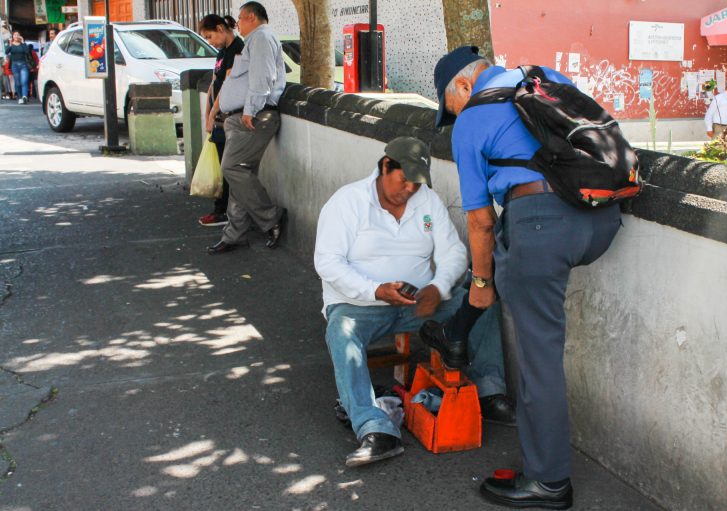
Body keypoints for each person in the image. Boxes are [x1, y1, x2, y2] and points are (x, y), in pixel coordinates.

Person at [431, 46, 622, 509]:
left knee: (540, 365)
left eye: (450, 108)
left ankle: (549, 483)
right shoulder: (544, 76)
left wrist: (482, 285)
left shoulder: (472, 121)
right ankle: (460, 326)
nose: (454, 118)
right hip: (602, 216)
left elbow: (479, 221)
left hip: (542, 229)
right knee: (509, 244)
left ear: (464, 85)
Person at [314, 136, 514, 468]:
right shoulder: (347, 202)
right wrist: (376, 290)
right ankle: (375, 428)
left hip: (418, 302)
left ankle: (489, 392)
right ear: (384, 166)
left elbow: (453, 251)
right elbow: (327, 263)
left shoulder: (427, 201)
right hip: (359, 306)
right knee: (341, 333)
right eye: (403, 179)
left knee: (480, 300)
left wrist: (438, 287)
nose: (409, 189)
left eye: (416, 183)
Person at [206, 1, 286, 254]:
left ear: (251, 16)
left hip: (253, 116)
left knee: (232, 168)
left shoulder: (261, 37)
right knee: (239, 173)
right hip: (241, 116)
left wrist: (250, 110)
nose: (237, 23)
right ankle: (235, 233)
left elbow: (263, 77)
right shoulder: (254, 40)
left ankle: (270, 216)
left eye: (240, 18)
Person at [197, 14, 244, 227]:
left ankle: (224, 211)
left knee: (228, 166)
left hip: (229, 115)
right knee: (221, 163)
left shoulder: (237, 49)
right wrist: (208, 114)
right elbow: (214, 83)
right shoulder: (222, 52)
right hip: (218, 117)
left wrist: (213, 112)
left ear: (220, 28)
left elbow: (227, 85)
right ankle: (220, 208)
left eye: (210, 36)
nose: (210, 42)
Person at [5, 31, 32, 104]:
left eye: (18, 35)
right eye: (15, 35)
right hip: (14, 65)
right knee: (18, 83)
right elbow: (6, 52)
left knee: (24, 81)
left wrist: (23, 42)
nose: (16, 36)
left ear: (20, 36)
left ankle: (24, 96)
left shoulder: (23, 44)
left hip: (23, 65)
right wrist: (10, 44)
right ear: (13, 36)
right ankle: (20, 97)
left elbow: (27, 51)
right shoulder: (11, 45)